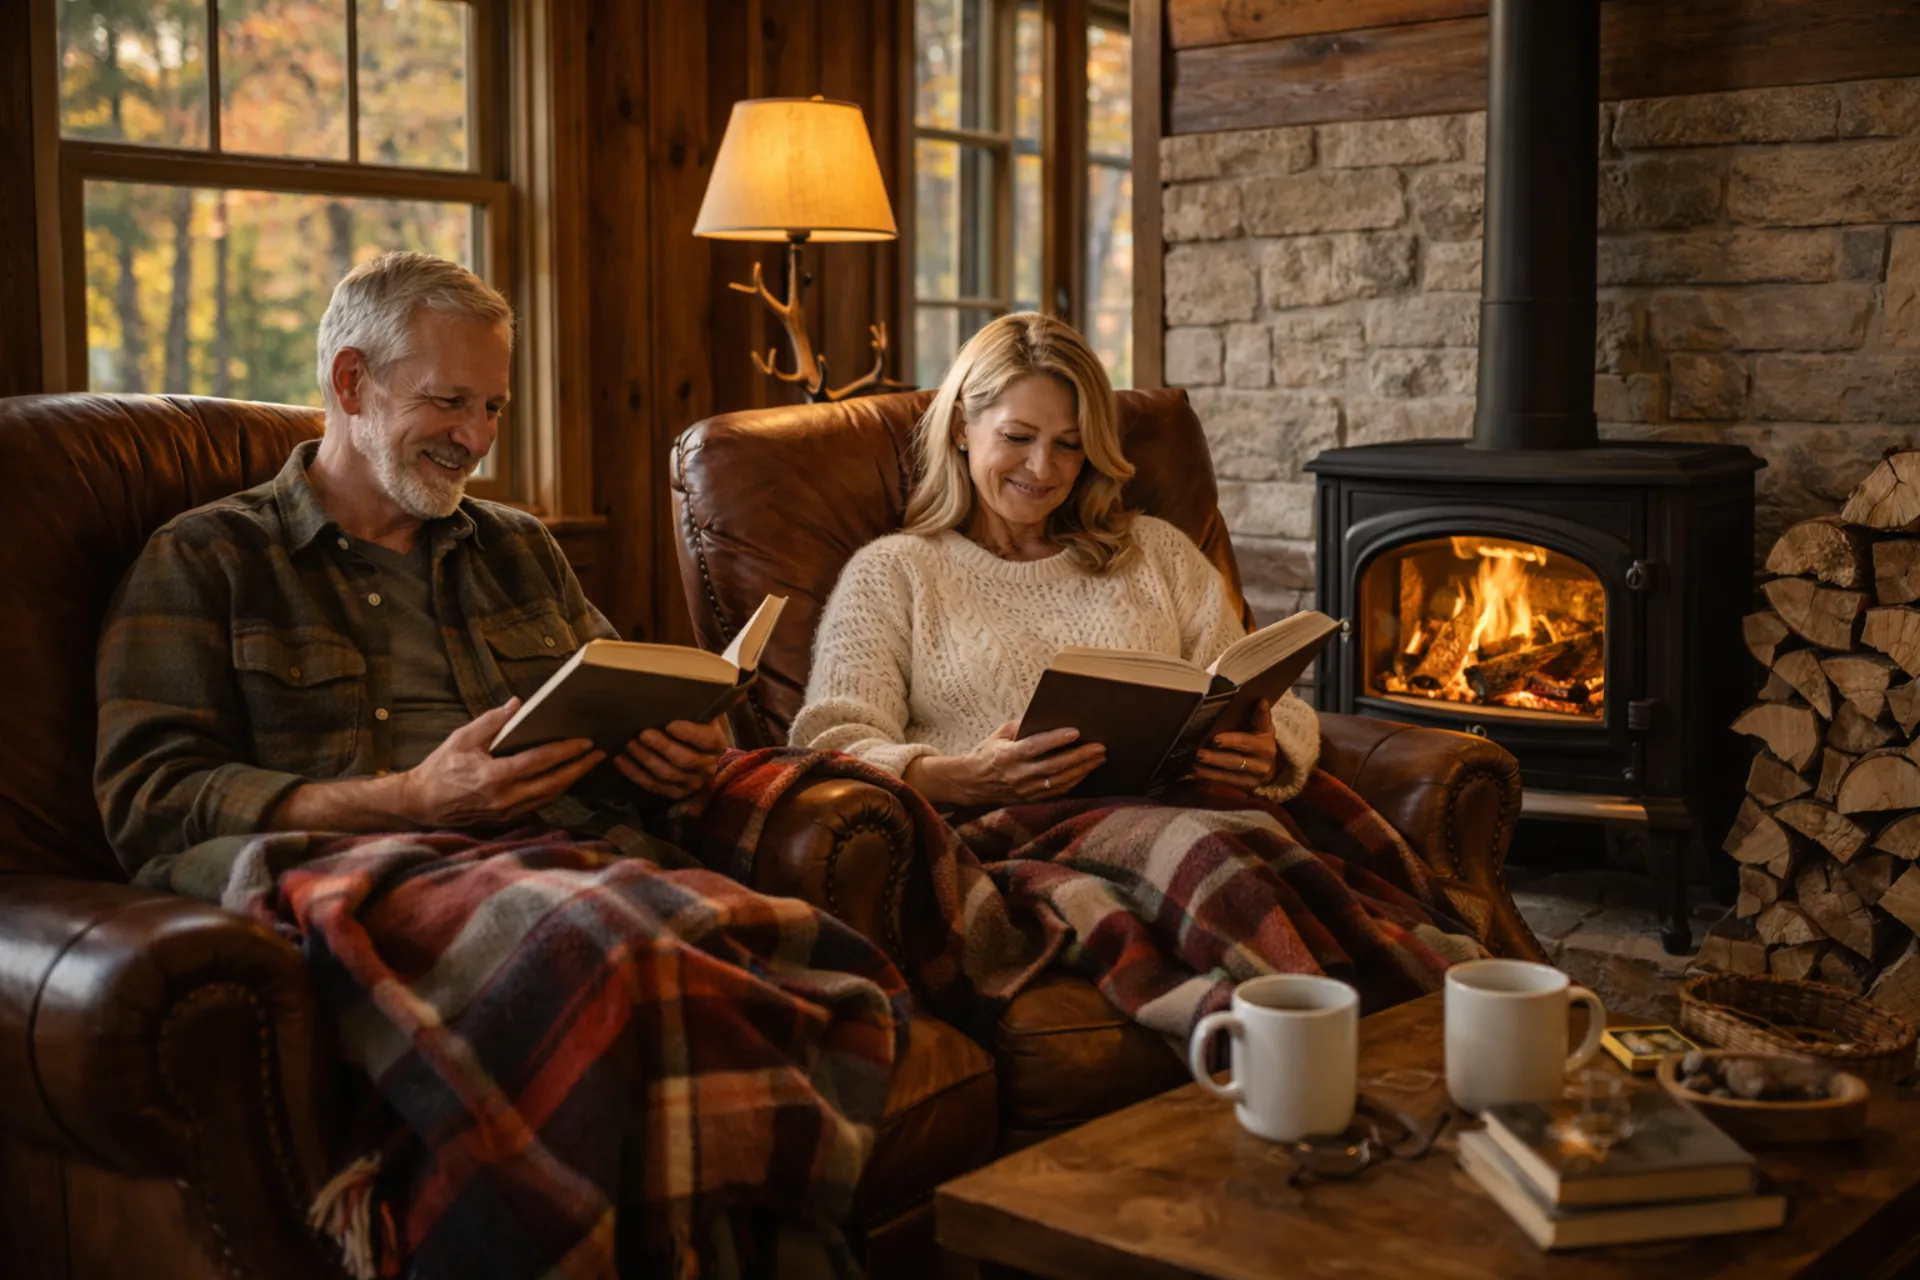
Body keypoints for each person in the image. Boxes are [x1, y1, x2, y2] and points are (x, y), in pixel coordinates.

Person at [94, 252, 902, 1280]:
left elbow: (615, 699)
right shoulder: (208, 559)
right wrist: (408, 795)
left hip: (559, 856)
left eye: (492, 406)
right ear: (351, 384)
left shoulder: (516, 547)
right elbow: (148, 800)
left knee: (791, 947)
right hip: (365, 869)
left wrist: (674, 751)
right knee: (600, 947)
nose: (475, 436)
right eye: (446, 401)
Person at [791, 312, 1487, 1038]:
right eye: (1018, 438)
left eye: (1069, 445)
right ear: (963, 426)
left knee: (1248, 847)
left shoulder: (1153, 553)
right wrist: (961, 775)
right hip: (1017, 841)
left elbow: (1256, 691)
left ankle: (1441, 1025)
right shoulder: (895, 572)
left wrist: (1264, 745)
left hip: (1194, 811)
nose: (1043, 469)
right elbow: (831, 744)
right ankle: (1363, 1042)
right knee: (1206, 850)